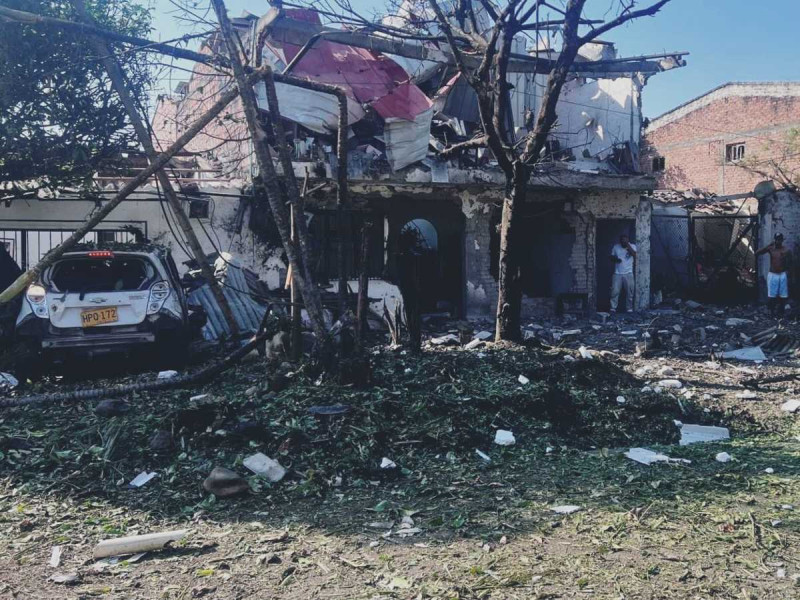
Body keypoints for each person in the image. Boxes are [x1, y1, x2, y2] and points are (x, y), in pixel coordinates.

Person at [756, 233, 791, 317]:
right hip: (772, 274)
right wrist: (768, 245)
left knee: (783, 295)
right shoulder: (771, 248)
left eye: (779, 239)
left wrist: (788, 273)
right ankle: (771, 312)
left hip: (782, 274)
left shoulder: (786, 250)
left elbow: (790, 263)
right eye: (776, 239)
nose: (778, 241)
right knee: (772, 294)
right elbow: (757, 253)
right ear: (774, 240)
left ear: (782, 240)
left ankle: (781, 312)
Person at [610, 234, 636, 313]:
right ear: (620, 241)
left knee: (630, 292)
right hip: (617, 273)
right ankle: (613, 308)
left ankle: (629, 309)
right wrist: (616, 259)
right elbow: (611, 257)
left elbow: (634, 254)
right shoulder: (616, 247)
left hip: (629, 273)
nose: (623, 242)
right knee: (614, 292)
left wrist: (628, 245)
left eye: (625, 240)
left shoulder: (632, 246)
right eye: (622, 240)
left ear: (628, 240)